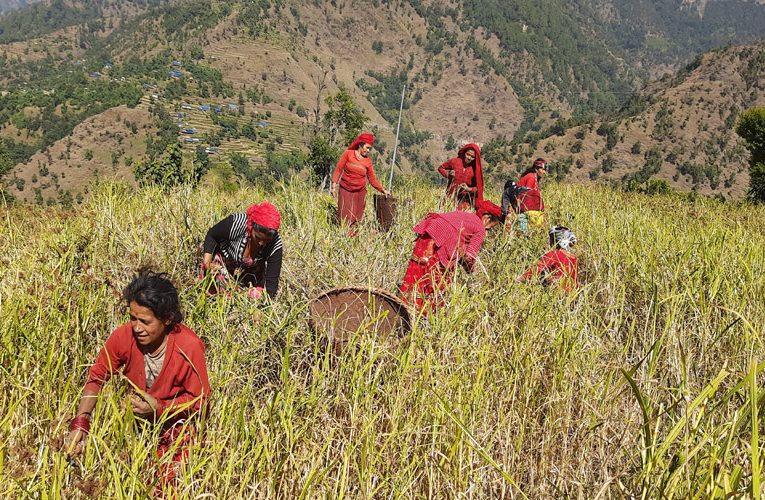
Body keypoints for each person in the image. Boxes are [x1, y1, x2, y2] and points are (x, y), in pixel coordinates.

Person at [64, 270, 210, 486]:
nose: (137, 327)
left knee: (166, 485)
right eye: (132, 318)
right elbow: (96, 378)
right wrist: (80, 424)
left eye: (145, 321)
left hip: (177, 433)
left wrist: (160, 408)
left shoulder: (189, 346)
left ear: (168, 319)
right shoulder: (124, 336)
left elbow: (202, 401)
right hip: (136, 429)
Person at [399, 211, 487, 313]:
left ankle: (402, 308)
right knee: (435, 282)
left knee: (415, 274)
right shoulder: (481, 229)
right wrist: (471, 270)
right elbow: (469, 256)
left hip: (431, 230)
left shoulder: (469, 216)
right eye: (491, 228)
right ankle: (422, 315)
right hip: (442, 243)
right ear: (488, 219)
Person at [200, 201, 283, 300]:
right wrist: (207, 262)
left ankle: (240, 295)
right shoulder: (237, 223)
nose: (262, 243)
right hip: (224, 264)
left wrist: (264, 305)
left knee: (256, 296)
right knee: (214, 281)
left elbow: (271, 286)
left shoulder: (275, 245)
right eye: (258, 238)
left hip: (250, 275)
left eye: (266, 241)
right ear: (251, 227)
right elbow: (212, 235)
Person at [331, 133, 390, 234]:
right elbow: (338, 169)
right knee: (344, 214)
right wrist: (334, 185)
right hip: (345, 189)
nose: (368, 150)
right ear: (360, 145)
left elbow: (372, 179)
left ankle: (353, 238)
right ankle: (343, 235)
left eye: (369, 149)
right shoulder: (348, 154)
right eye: (367, 147)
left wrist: (383, 190)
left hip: (359, 192)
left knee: (355, 217)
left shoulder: (368, 162)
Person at [519, 226, 578, 292]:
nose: (550, 243)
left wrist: (519, 279)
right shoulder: (574, 258)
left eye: (552, 240)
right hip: (571, 293)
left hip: (556, 292)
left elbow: (537, 268)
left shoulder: (555, 254)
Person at [438, 143, 485, 211]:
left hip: (464, 201)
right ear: (464, 153)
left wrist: (468, 189)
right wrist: (448, 175)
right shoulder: (455, 161)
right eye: (468, 154)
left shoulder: (475, 170)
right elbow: (441, 168)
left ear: (475, 158)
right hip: (449, 197)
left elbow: (478, 189)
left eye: (472, 156)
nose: (469, 158)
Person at [516, 158, 547, 232]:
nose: (544, 172)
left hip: (523, 208)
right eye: (543, 169)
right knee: (527, 232)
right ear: (536, 169)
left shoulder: (533, 177)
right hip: (524, 209)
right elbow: (528, 195)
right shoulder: (531, 177)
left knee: (525, 232)